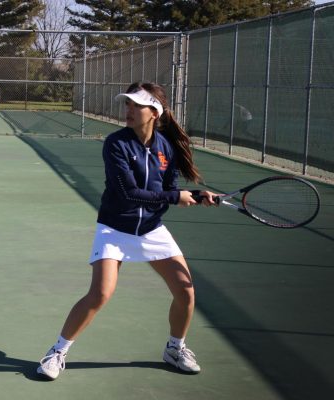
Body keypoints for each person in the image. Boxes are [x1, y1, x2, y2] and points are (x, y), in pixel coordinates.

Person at [36, 82, 219, 380]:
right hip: (115, 229)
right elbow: (128, 193)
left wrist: (196, 195)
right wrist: (175, 197)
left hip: (151, 230)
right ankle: (57, 351)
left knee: (186, 292)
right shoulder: (116, 144)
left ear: (154, 112)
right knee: (100, 294)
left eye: (137, 105)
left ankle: (175, 348)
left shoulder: (166, 148)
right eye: (127, 104)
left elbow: (169, 190)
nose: (129, 110)